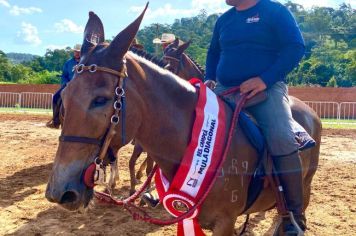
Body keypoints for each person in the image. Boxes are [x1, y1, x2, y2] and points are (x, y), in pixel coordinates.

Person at [204, 0, 306, 234]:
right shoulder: (224, 20)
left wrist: (265, 79)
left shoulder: (275, 11)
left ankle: (292, 214)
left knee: (282, 137)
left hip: (266, 90)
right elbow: (213, 52)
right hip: (224, 90)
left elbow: (295, 47)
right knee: (194, 127)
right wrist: (209, 77)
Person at [46, 44, 81, 128]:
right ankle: (56, 121)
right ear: (73, 51)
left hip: (82, 86)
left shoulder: (86, 62)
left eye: (79, 52)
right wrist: (66, 83)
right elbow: (64, 75)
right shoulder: (68, 63)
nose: (77, 53)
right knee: (56, 97)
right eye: (76, 51)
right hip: (68, 85)